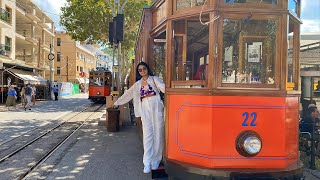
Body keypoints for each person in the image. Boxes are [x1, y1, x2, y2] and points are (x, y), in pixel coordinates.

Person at [114, 62, 165, 173]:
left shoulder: (155, 79)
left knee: (158, 134)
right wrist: (117, 102)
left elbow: (163, 87)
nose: (142, 71)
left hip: (156, 107)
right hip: (145, 108)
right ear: (138, 72)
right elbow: (128, 94)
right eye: (140, 70)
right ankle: (147, 162)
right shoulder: (137, 84)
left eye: (144, 69)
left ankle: (156, 160)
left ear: (147, 69)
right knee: (147, 136)